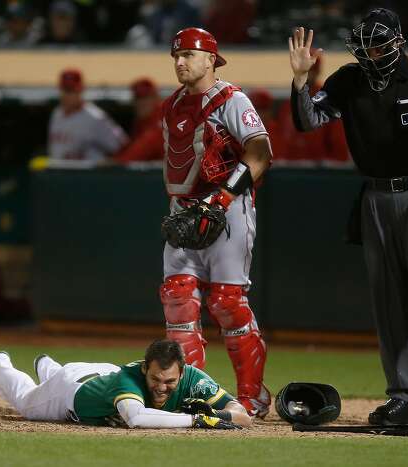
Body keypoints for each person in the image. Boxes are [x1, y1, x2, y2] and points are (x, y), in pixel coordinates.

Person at [289, 8, 408, 425]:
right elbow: (308, 120)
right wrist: (301, 80)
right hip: (375, 195)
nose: (371, 51)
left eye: (379, 43)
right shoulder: (349, 80)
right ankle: (404, 396)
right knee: (388, 300)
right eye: (365, 44)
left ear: (396, 43)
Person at [160, 27, 273, 418]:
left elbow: (260, 153)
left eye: (189, 55)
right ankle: (189, 393)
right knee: (178, 298)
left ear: (211, 59)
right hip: (186, 209)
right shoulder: (172, 104)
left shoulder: (231, 100)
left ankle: (251, 396)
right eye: (176, 55)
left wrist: (222, 197)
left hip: (229, 209)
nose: (180, 62)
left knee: (227, 302)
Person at [0, 339, 250, 429]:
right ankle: (0, 369)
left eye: (170, 381)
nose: (162, 387)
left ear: (183, 371)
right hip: (71, 391)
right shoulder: (129, 378)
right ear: (144, 368)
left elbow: (243, 416)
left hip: (95, 375)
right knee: (27, 404)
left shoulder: (193, 379)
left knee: (62, 375)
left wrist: (219, 415)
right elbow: (136, 417)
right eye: (155, 379)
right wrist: (196, 420)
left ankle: (49, 368)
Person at [47, 68, 128, 164]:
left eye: (72, 90)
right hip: (59, 174)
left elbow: (122, 146)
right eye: (65, 90)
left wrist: (108, 165)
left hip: (85, 175)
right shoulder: (57, 113)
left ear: (81, 90)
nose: (67, 95)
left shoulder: (95, 117)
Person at [113, 78, 164, 163]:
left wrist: (113, 162)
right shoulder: (142, 121)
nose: (141, 103)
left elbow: (130, 157)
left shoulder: (162, 120)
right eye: (138, 98)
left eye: (146, 98)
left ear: (156, 98)